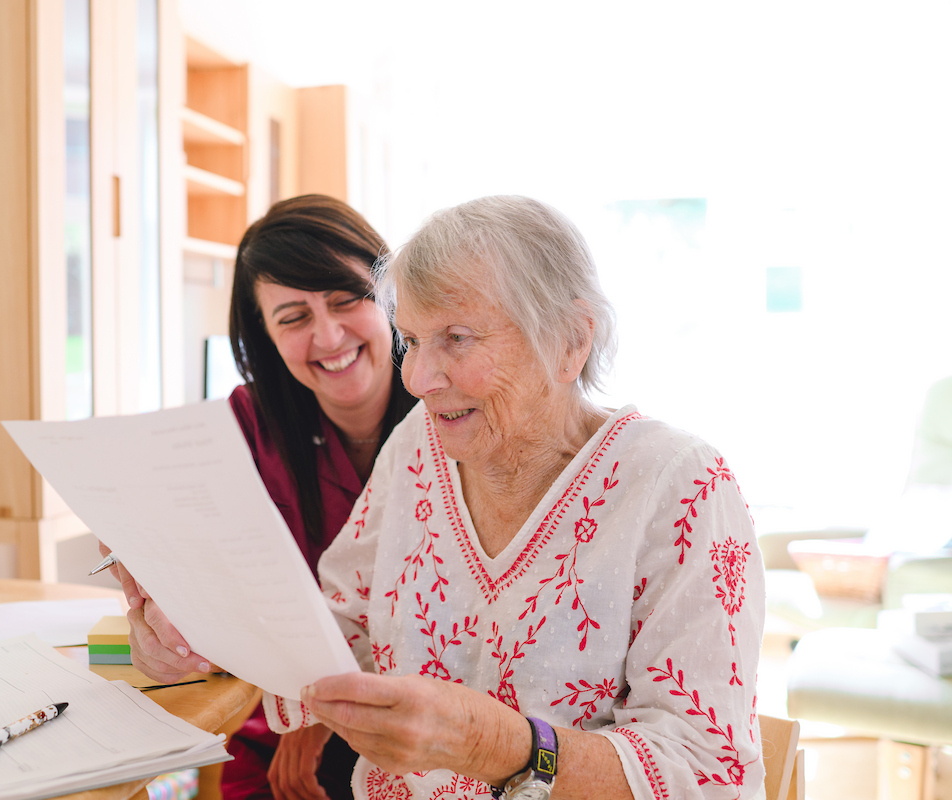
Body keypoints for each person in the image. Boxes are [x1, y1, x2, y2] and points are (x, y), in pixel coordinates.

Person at [129, 195, 766, 800]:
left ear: (572, 340)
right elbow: (338, 628)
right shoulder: (419, 444)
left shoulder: (679, 485)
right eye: (411, 340)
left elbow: (708, 772)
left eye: (457, 338)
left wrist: (493, 744)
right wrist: (200, 632)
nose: (415, 377)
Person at [104, 194, 416, 800]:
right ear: (266, 336)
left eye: (346, 298)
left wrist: (328, 711)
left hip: (424, 731)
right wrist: (156, 614)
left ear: (389, 294)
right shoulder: (244, 428)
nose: (329, 335)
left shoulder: (448, 409)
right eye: (293, 317)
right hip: (277, 742)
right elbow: (201, 586)